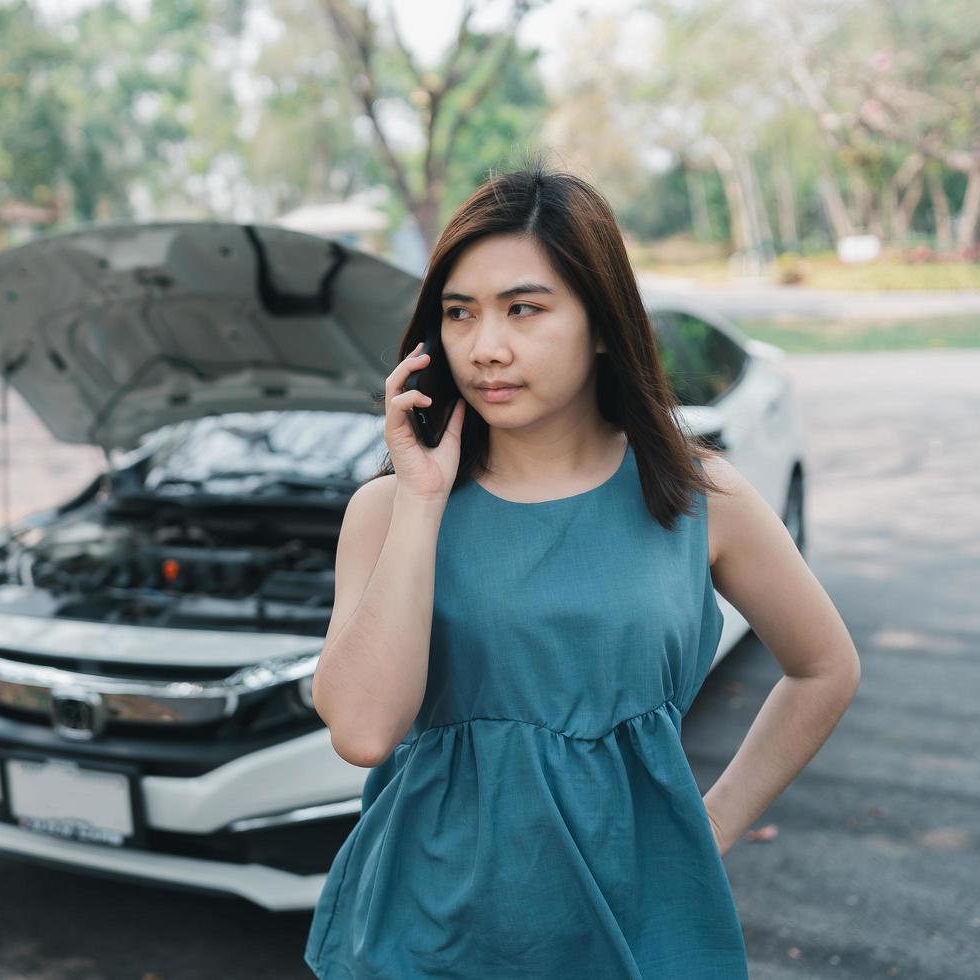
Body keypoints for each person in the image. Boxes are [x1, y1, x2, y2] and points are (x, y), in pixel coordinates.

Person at [302, 160, 862, 978]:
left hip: (637, 927)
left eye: (523, 310)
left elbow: (824, 668)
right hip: (424, 933)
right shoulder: (387, 511)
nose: (486, 348)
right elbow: (361, 732)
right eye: (461, 314)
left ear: (601, 322)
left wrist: (705, 831)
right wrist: (421, 501)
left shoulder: (698, 498)